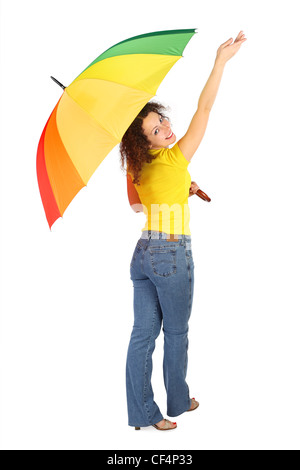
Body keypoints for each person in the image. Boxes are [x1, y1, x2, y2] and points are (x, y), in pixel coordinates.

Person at [120, 31, 247, 431]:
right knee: (176, 332)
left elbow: (138, 205)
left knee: (143, 335)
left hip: (143, 253)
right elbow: (205, 109)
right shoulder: (175, 158)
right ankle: (177, 401)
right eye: (156, 130)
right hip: (171, 254)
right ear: (146, 142)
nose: (167, 129)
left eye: (162, 120)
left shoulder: (136, 167)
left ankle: (144, 414)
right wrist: (220, 63)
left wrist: (181, 187)